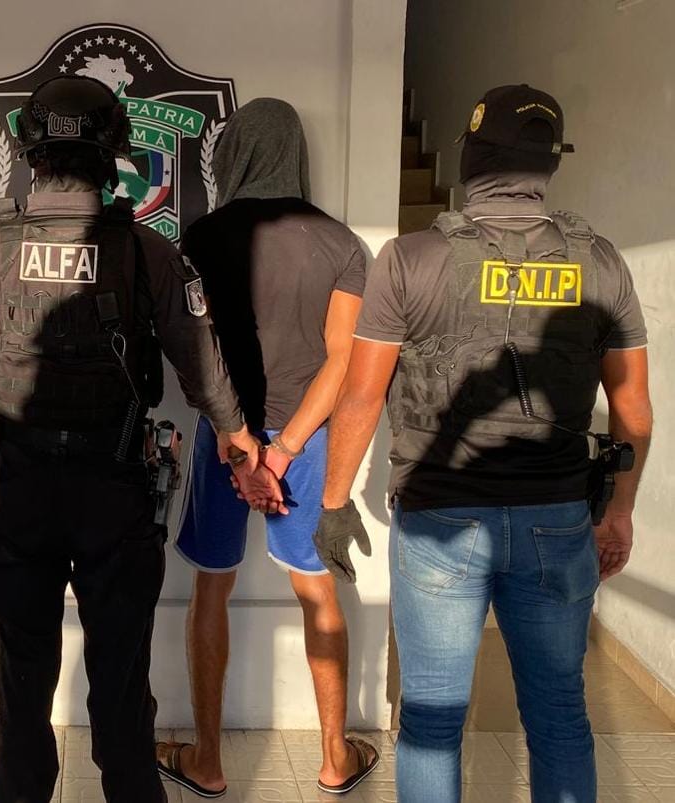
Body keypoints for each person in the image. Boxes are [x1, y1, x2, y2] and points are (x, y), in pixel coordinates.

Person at [0, 75, 266, 803]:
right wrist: (239, 442)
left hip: (21, 489)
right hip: (114, 487)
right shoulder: (147, 251)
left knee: (23, 695)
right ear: (113, 155)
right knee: (122, 690)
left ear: (31, 156)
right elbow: (202, 366)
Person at [318, 84, 652, 803]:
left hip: (440, 520)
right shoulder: (601, 263)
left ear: (471, 157)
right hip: (557, 518)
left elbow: (361, 395)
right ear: (548, 164)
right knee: (560, 714)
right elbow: (634, 410)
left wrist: (335, 501)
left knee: (432, 721)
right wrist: (620, 511)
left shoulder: (408, 258)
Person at [155, 98, 379, 798]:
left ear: (234, 154)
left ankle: (208, 760)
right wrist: (283, 452)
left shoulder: (202, 236)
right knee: (317, 589)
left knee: (210, 587)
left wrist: (241, 447)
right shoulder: (343, 243)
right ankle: (336, 758)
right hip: (304, 441)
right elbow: (343, 361)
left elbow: (198, 352)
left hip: (225, 436)